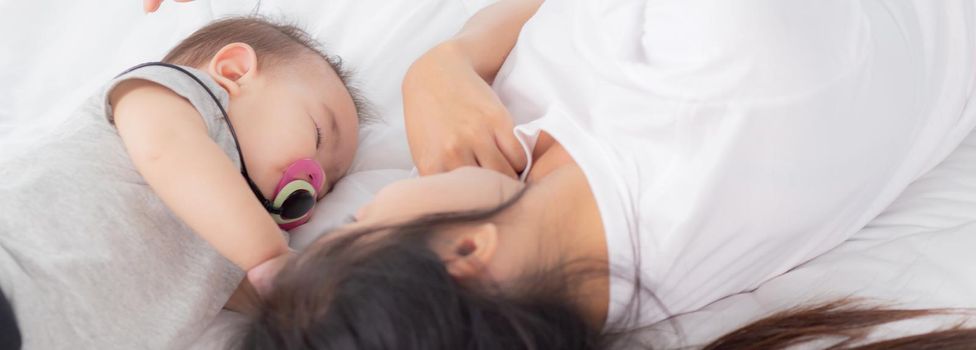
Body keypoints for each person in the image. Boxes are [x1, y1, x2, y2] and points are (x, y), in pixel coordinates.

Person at [237, 0, 976, 349]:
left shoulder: (576, 264)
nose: (376, 193)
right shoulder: (729, 71)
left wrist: (452, 58)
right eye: (363, 222)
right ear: (466, 254)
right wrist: (448, 63)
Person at [0, 16, 365, 348]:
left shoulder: (243, 238)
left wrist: (321, 298)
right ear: (234, 71)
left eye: (328, 187)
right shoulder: (173, 95)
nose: (313, 183)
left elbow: (270, 296)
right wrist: (271, 256)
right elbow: (168, 151)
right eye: (317, 134)